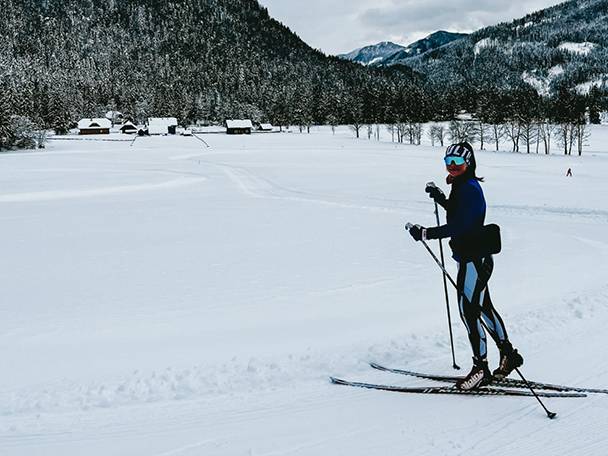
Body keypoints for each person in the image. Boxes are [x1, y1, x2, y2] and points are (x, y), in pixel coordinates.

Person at [408, 142, 523, 390]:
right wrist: (441, 197)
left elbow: (460, 225)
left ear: (468, 164)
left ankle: (480, 368)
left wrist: (426, 233)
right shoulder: (463, 186)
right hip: (474, 257)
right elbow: (459, 214)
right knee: (482, 308)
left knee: (468, 311)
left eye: (458, 163)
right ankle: (508, 355)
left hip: (474, 260)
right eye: (448, 162)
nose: (452, 167)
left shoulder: (468, 188)